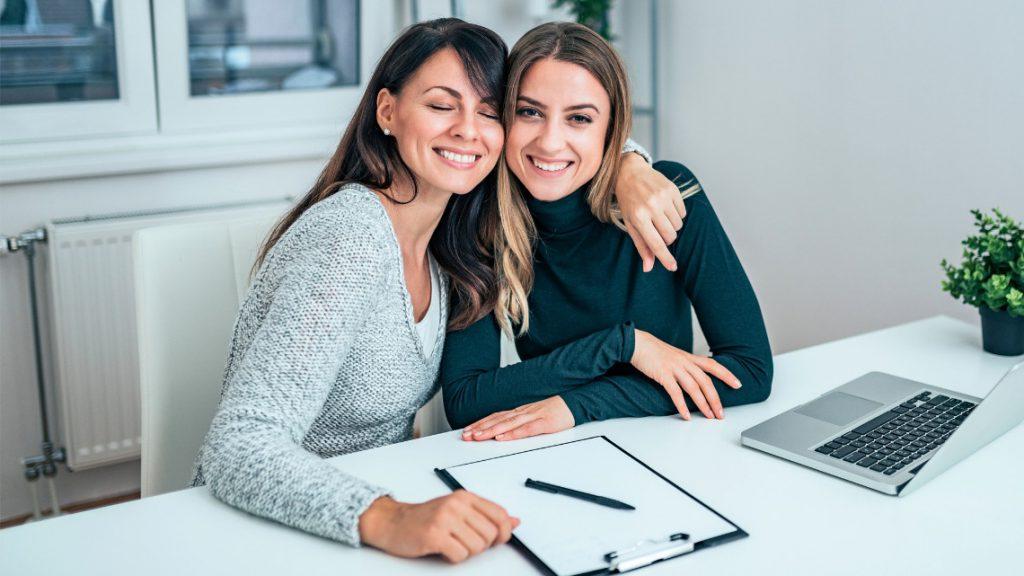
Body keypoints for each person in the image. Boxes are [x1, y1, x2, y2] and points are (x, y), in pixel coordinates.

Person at [190, 18, 686, 564]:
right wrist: (388, 515)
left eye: (491, 112)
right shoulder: (350, 236)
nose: (469, 131)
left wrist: (625, 161)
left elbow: (557, 137)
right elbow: (236, 448)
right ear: (387, 112)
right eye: (441, 105)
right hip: (274, 533)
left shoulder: (453, 238)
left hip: (367, 523)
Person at [441, 22, 773, 443]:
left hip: (675, 441)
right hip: (558, 451)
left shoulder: (666, 198)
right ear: (505, 116)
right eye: (529, 112)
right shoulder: (478, 223)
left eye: (579, 118)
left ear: (610, 130)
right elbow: (465, 400)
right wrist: (623, 345)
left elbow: (751, 372)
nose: (550, 141)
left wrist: (582, 405)